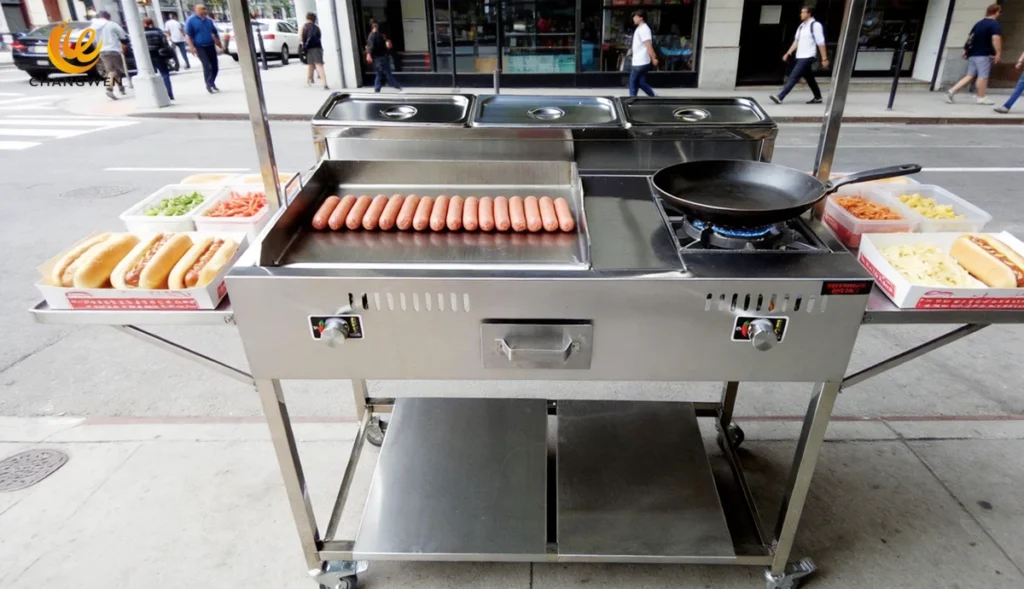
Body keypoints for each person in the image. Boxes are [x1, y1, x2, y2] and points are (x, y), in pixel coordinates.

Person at [770, 5, 828, 105]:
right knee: (810, 78)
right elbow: (796, 41)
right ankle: (818, 97)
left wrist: (824, 58)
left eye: (803, 12)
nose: (801, 14)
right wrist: (788, 52)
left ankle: (780, 97)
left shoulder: (815, 25)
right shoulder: (801, 26)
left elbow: (821, 42)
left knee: (793, 76)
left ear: (809, 13)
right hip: (800, 56)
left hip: (808, 56)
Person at [946, 4, 1002, 105]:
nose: (1000, 14)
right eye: (1000, 12)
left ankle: (951, 91)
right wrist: (998, 52)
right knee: (983, 76)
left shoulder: (978, 23)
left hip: (973, 53)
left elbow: (970, 37)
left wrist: (966, 50)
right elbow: (995, 39)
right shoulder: (994, 24)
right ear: (996, 12)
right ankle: (981, 97)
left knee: (970, 75)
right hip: (983, 54)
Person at [90, 11, 128, 100]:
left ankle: (121, 88)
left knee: (113, 70)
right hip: (113, 50)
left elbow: (92, 41)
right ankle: (109, 88)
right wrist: (124, 45)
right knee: (113, 70)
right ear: (108, 17)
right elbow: (123, 37)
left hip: (102, 51)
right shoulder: (112, 25)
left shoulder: (93, 27)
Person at [185, 4, 222, 93]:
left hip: (210, 45)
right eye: (201, 9)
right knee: (207, 66)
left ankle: (212, 82)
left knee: (215, 66)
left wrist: (219, 43)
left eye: (204, 9)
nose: (204, 11)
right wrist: (192, 47)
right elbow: (188, 36)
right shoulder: (191, 21)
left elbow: (214, 32)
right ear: (195, 10)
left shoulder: (208, 20)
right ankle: (208, 84)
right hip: (200, 47)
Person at [365, 19, 402, 93]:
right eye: (374, 26)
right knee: (385, 72)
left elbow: (385, 43)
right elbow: (369, 46)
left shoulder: (380, 35)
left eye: (376, 25)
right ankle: (394, 85)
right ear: (372, 27)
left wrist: (387, 43)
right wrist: (368, 54)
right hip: (378, 57)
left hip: (382, 56)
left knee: (380, 73)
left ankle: (378, 87)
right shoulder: (372, 36)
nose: (376, 27)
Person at [628, 9, 657, 97]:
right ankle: (653, 96)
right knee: (640, 82)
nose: (634, 18)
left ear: (641, 18)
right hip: (639, 60)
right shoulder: (640, 28)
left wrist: (653, 58)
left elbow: (648, 45)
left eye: (636, 17)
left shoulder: (644, 29)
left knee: (633, 81)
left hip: (641, 61)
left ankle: (632, 98)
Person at [144, 18, 174, 100]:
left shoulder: (142, 33)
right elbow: (165, 43)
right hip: (160, 54)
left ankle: (155, 95)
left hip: (148, 56)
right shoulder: (158, 31)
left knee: (151, 75)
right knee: (165, 74)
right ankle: (169, 94)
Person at [301, 12, 328, 89]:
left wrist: (302, 46)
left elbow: (301, 38)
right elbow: (319, 37)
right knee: (319, 65)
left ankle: (309, 81)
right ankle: (323, 83)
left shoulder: (304, 27)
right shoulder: (317, 28)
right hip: (318, 48)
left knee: (311, 64)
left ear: (307, 18)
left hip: (308, 48)